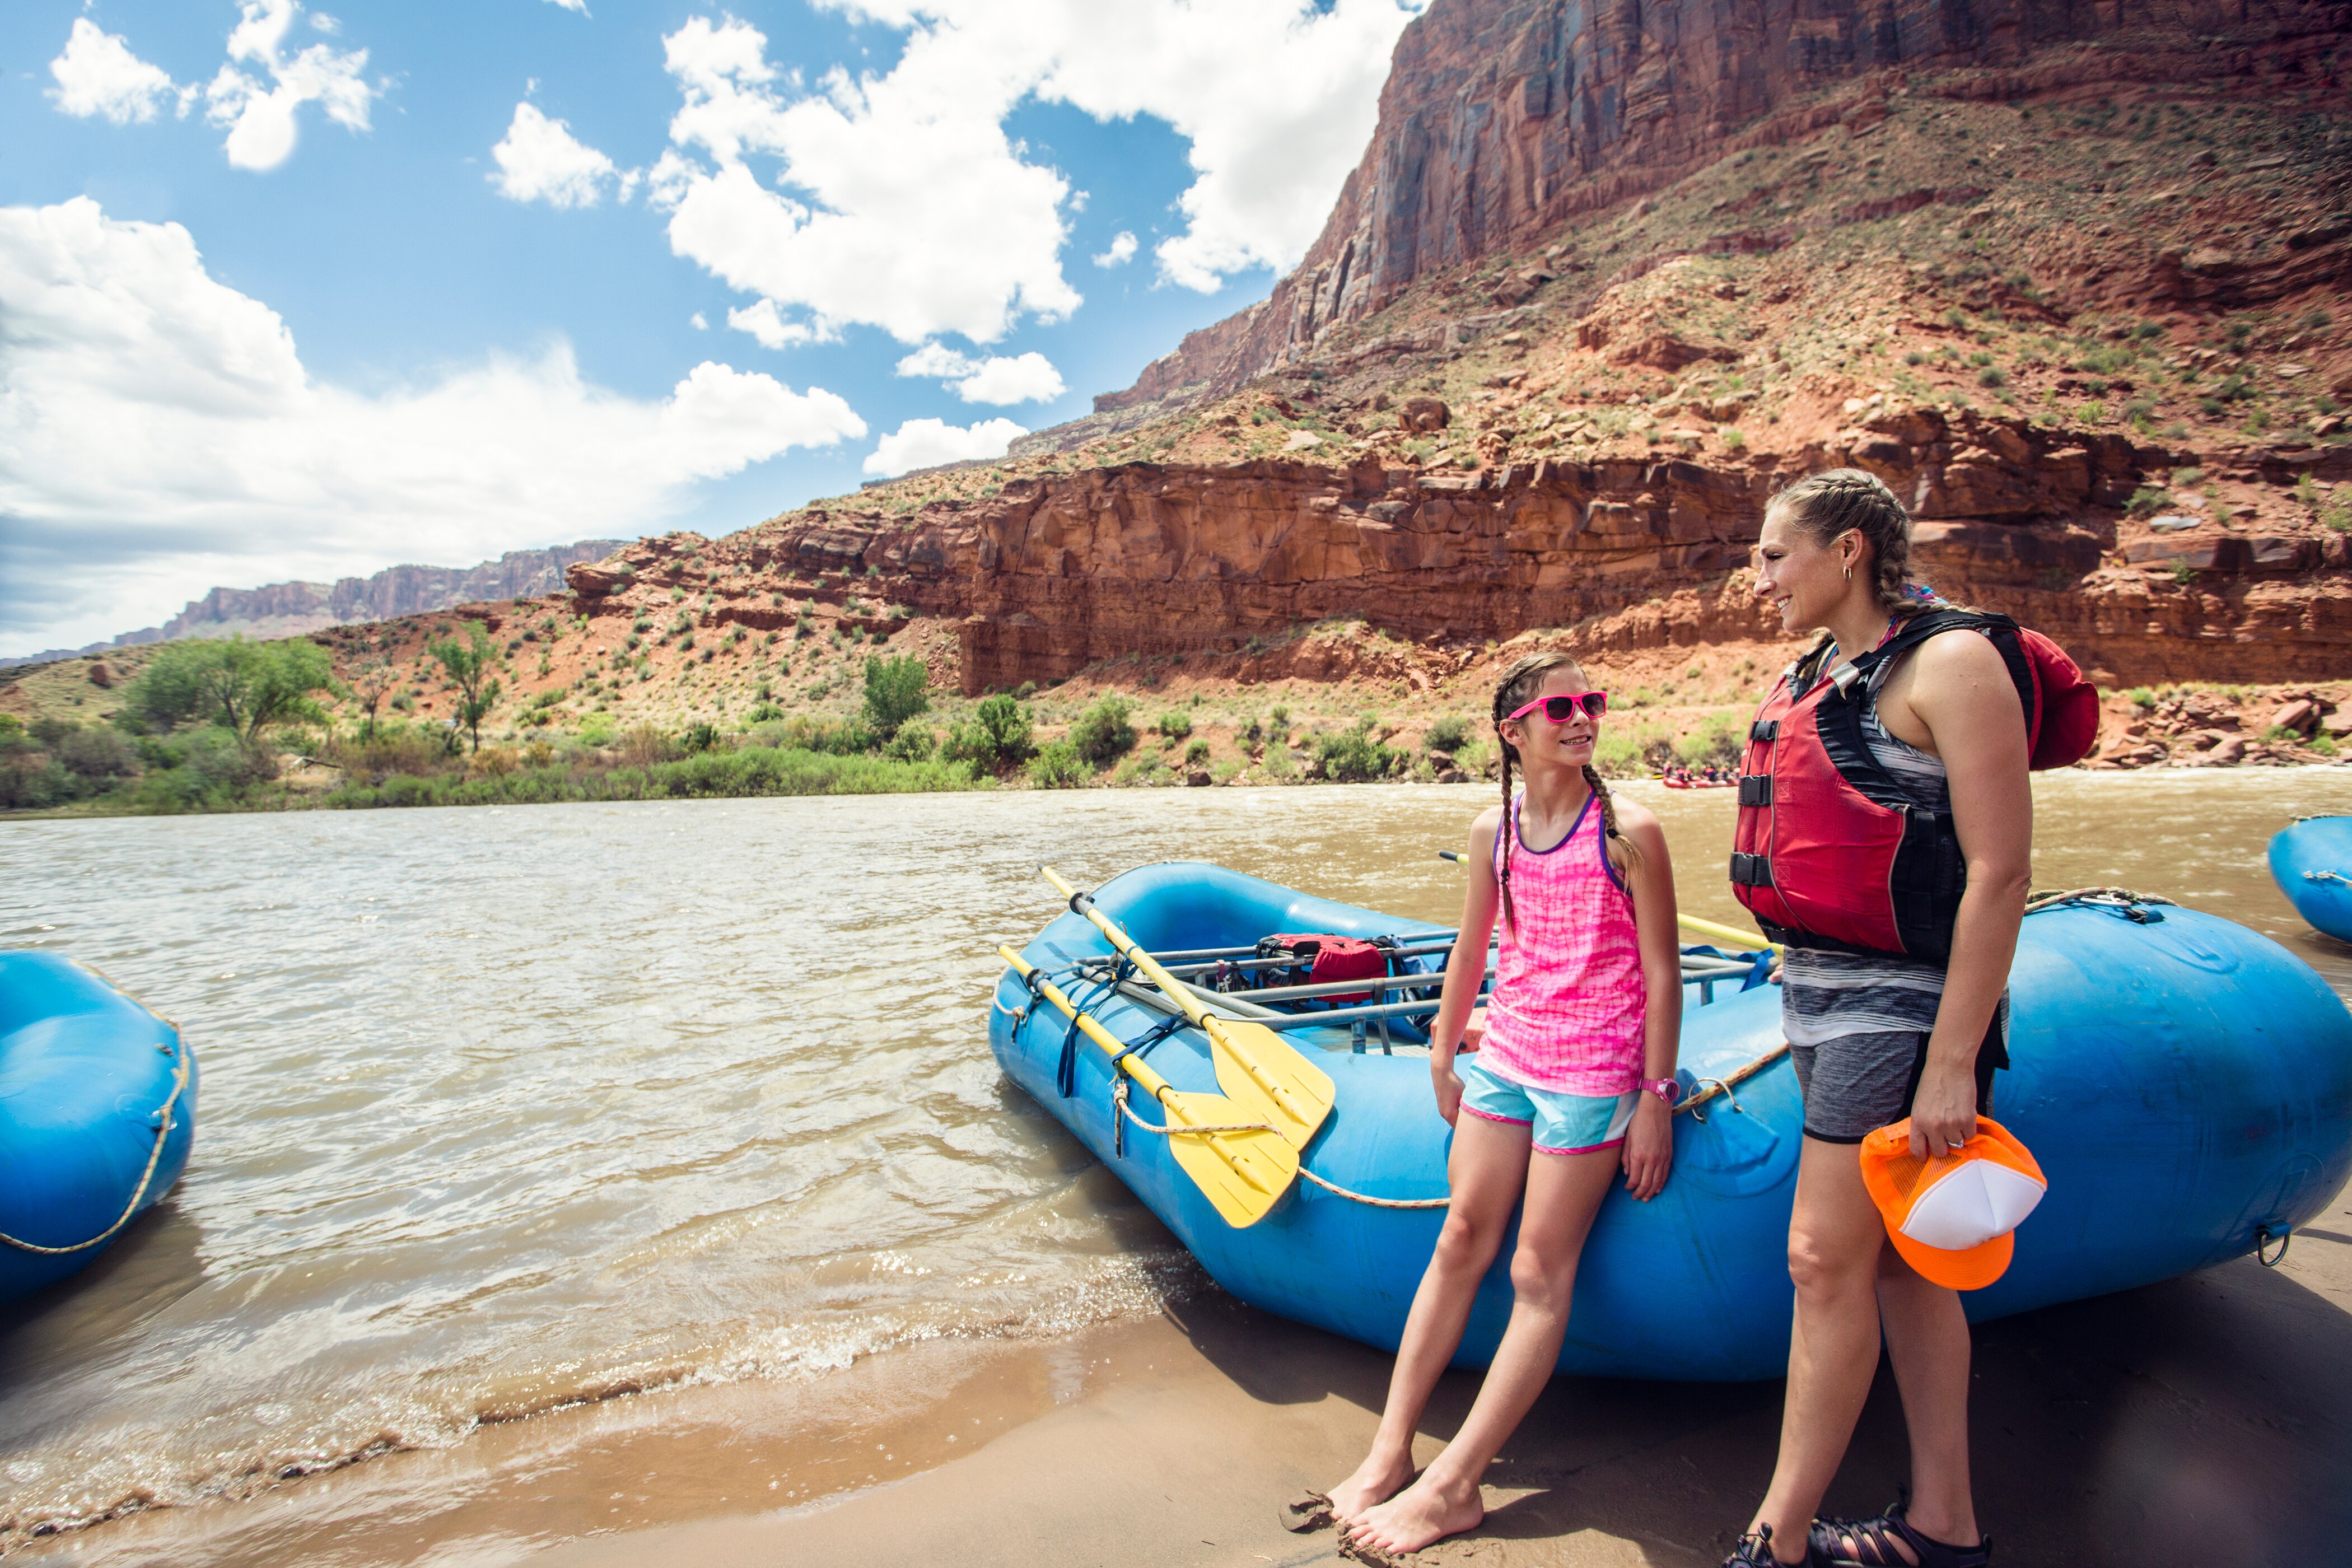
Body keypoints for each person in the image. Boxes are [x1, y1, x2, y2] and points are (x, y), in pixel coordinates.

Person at [1724, 470, 2030, 1568]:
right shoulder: (1820, 670)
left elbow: (2000, 873)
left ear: (1849, 550)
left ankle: (1780, 1535)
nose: (1758, 580)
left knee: (1820, 1256)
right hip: (1817, 990)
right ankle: (1945, 1520)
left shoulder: (1951, 664)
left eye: (1774, 556)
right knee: (1901, 1261)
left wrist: (1953, 1063)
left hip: (1897, 1009)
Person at [1320, 650, 1684, 1558]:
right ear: (1511, 730)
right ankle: (1388, 1454)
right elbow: (1471, 948)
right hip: (1508, 1056)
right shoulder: (1498, 831)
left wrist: (1654, 1098)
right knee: (1458, 1239)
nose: (1582, 716)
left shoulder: (1629, 829)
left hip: (1594, 1073)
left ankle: (1455, 1485)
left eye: (1592, 702)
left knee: (1535, 1272)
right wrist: (1445, 1053)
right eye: (1560, 705)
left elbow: (1663, 971)